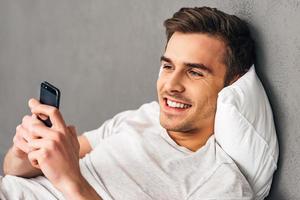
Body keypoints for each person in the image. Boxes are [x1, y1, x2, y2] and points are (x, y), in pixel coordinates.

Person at [1, 6, 256, 200]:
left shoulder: (221, 182)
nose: (171, 85)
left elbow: (65, 172)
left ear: (232, 85)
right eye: (168, 66)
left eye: (195, 72)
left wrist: (72, 182)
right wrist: (25, 152)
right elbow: (13, 171)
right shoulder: (142, 118)